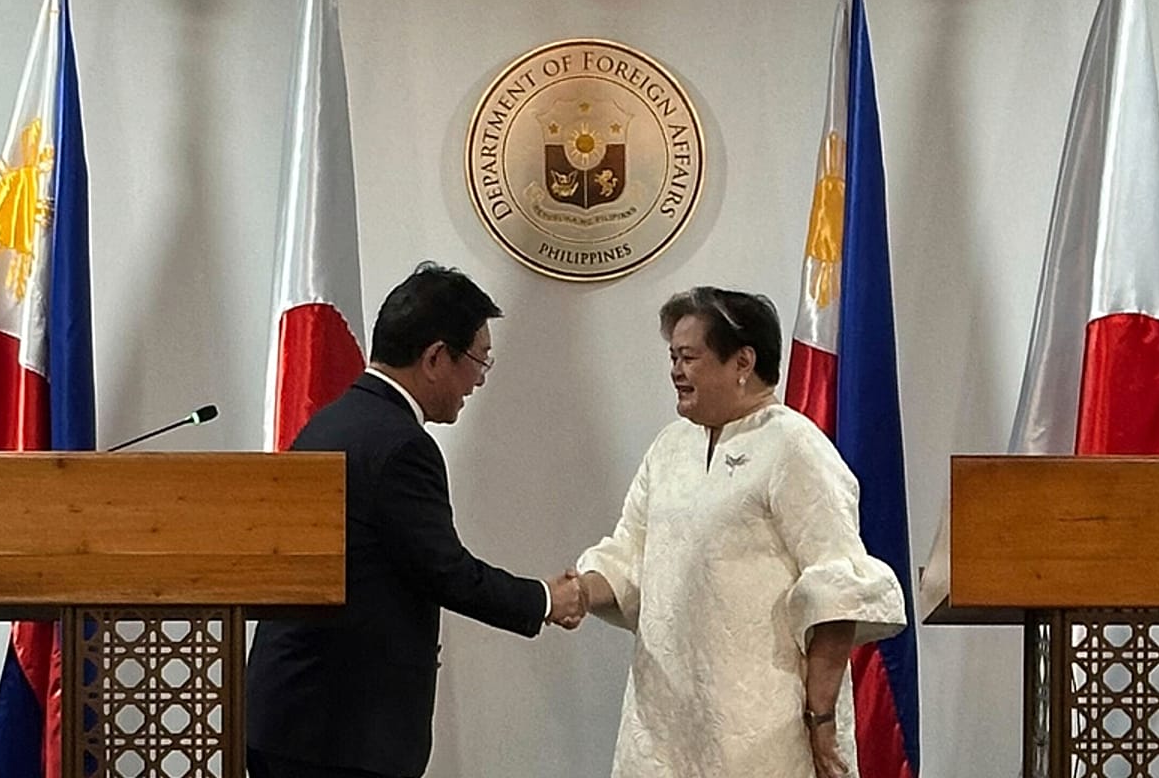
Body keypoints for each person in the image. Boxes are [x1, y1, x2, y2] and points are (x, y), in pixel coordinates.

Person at [246, 263, 586, 778]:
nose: (478, 381)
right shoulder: (402, 445)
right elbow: (444, 570)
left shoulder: (329, 423)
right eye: (479, 361)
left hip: (290, 718)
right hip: (342, 733)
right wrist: (544, 599)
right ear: (435, 357)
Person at [574, 286, 907, 778]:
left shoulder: (794, 446)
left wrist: (819, 717)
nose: (675, 370)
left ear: (742, 361)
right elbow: (630, 557)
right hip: (662, 730)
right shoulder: (669, 448)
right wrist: (577, 591)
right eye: (672, 356)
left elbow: (838, 588)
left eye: (688, 356)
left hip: (763, 735)